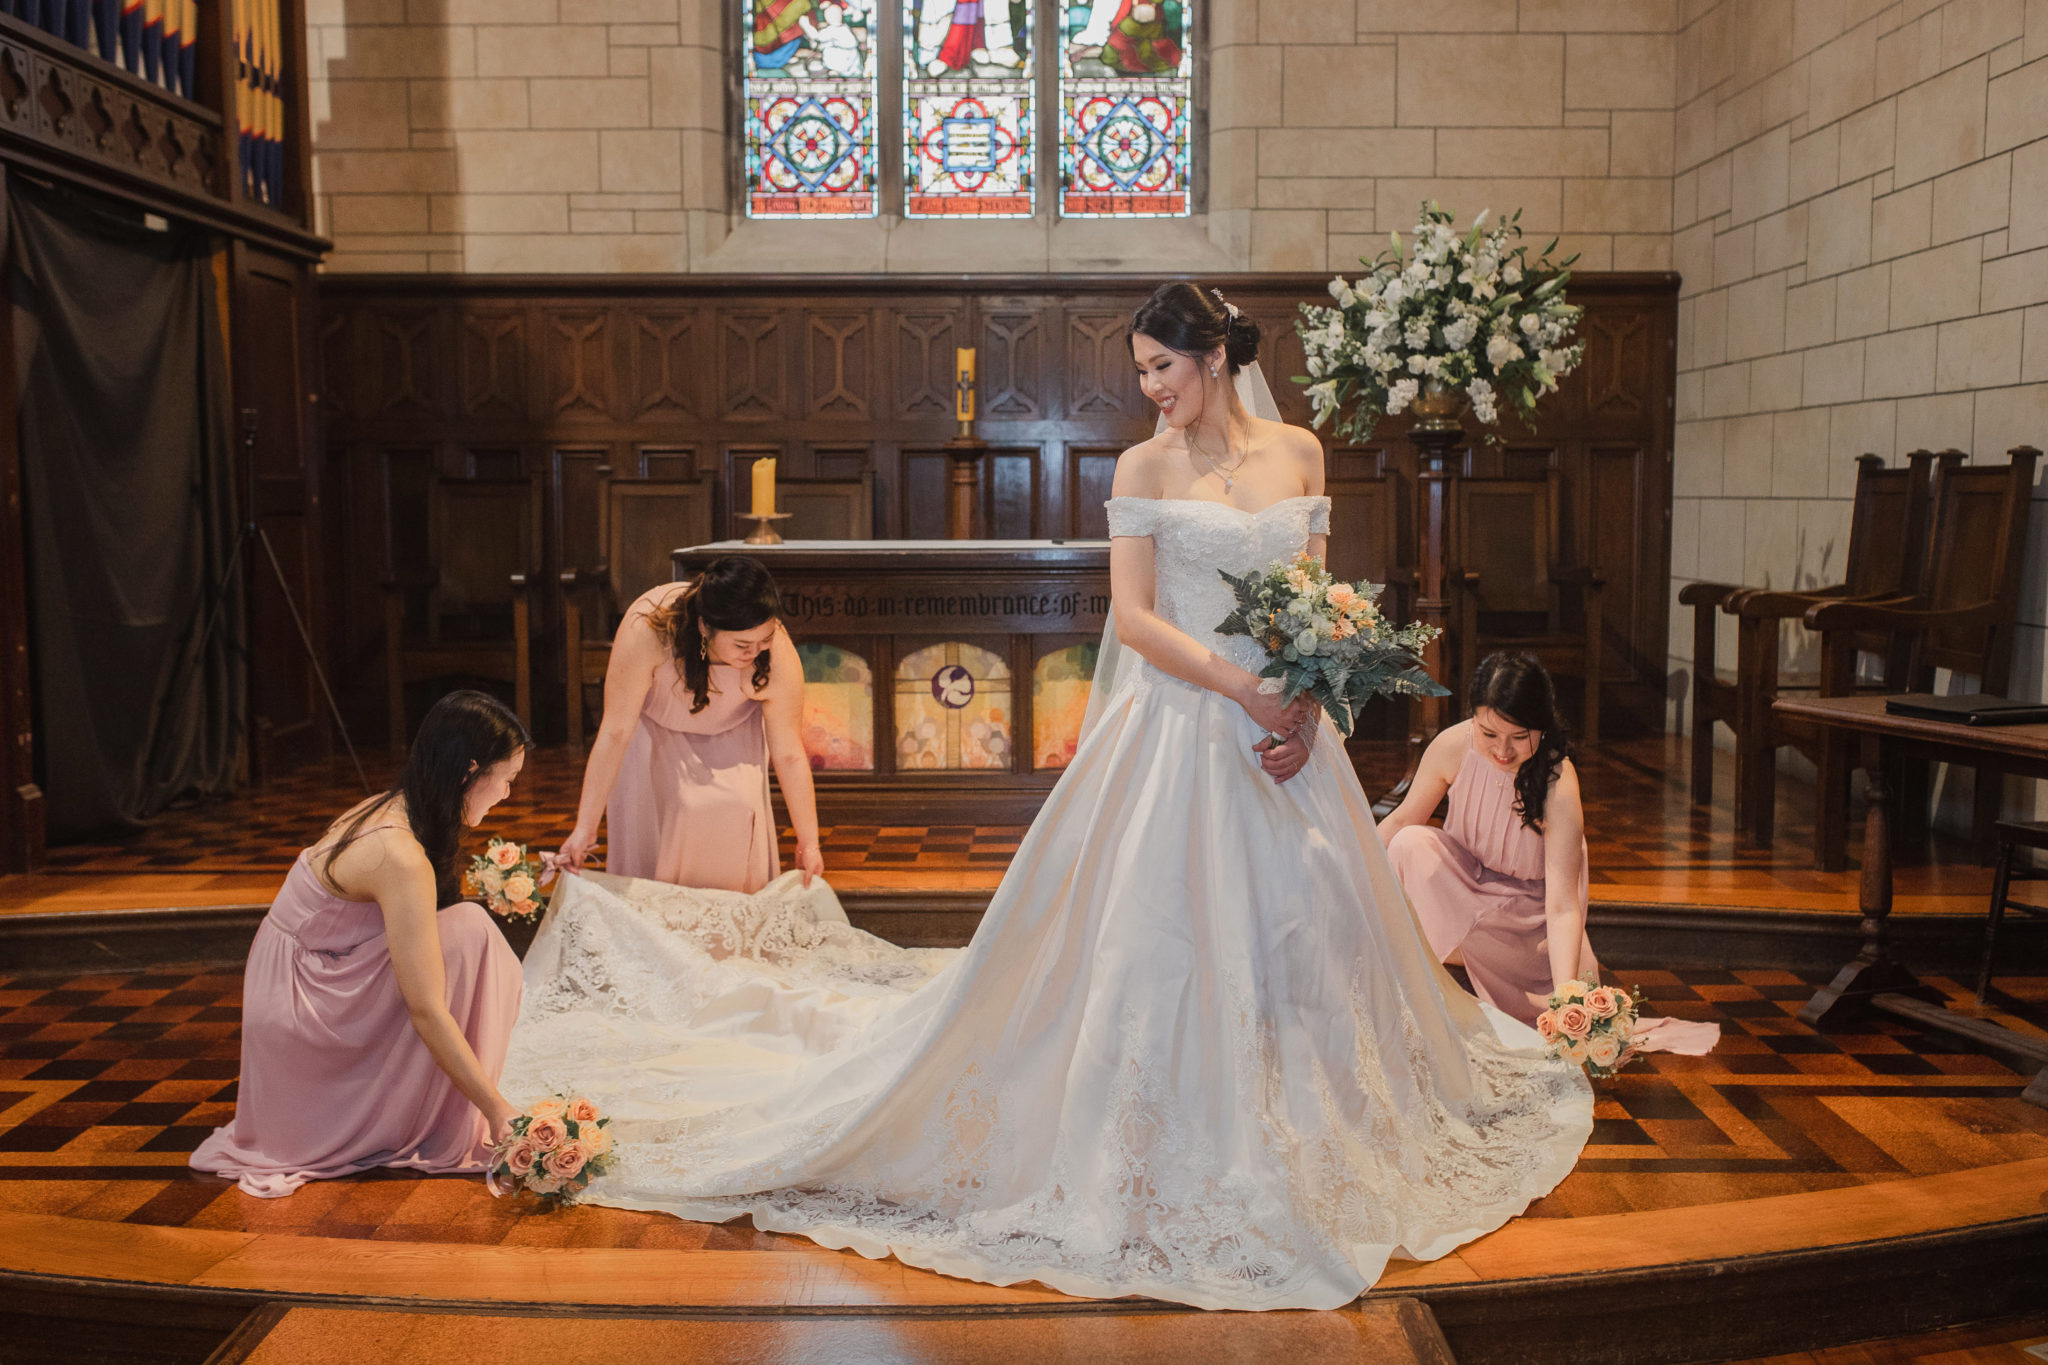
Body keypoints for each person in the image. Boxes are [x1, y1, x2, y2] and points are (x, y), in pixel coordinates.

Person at [506, 283, 1591, 1312]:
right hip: (1177, 723)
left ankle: (1303, 1116)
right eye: (1140, 371)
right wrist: (1239, 690)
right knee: (1152, 941)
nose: (1150, 388)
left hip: (1284, 739)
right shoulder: (1141, 466)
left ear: (1213, 358)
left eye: (1162, 367)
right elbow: (1131, 618)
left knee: (1304, 933)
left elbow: (1315, 601)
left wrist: (1302, 706)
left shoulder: (1300, 453)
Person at [190, 690, 528, 1197]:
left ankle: (436, 1099)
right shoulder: (398, 852)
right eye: (506, 780)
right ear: (470, 770)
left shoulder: (401, 805)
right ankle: (435, 1113)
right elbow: (427, 1010)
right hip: (302, 1002)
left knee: (465, 930)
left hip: (317, 970)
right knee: (470, 935)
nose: (506, 794)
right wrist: (497, 1111)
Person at [1381, 654, 1719, 1054]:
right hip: (1468, 893)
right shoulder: (1453, 745)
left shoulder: (1559, 781)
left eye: (1519, 736)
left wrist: (1567, 1001)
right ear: (1473, 718)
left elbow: (1562, 907)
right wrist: (1340, 873)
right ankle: (1439, 972)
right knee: (1409, 844)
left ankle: (1465, 980)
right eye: (1489, 734)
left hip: (1526, 928)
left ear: (1541, 726)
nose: (1502, 751)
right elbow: (1402, 821)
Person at [552, 555, 824, 891]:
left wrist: (808, 843)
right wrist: (585, 828)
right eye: (742, 644)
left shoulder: (773, 648)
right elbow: (614, 731)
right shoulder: (647, 629)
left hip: (734, 732)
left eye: (764, 641)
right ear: (704, 627)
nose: (755, 653)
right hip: (652, 733)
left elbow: (790, 754)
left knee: (733, 809)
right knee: (673, 823)